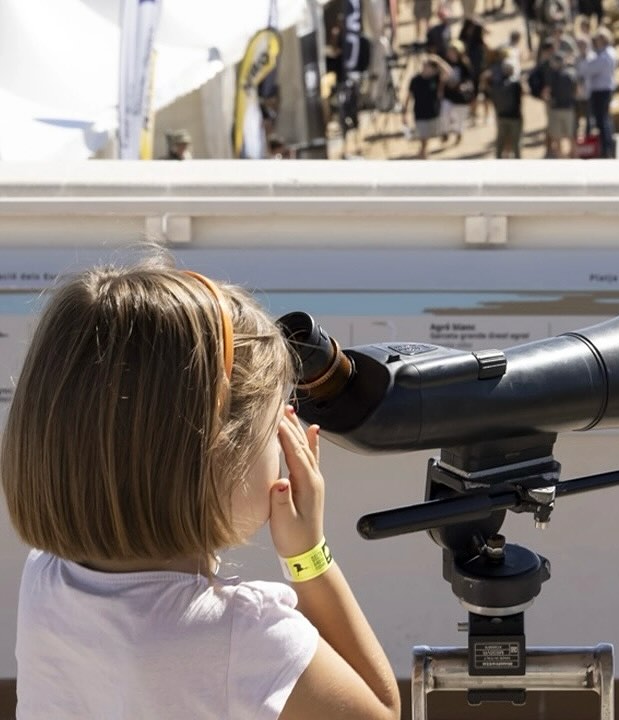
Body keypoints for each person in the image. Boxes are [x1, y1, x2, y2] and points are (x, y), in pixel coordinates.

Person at [1, 260, 402, 720]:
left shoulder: (45, 582)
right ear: (218, 445)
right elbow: (381, 711)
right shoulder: (247, 636)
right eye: (276, 424)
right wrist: (308, 556)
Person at [403, 55, 451, 158]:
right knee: (423, 136)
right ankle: (423, 150)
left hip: (434, 112)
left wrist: (438, 60)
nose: (424, 66)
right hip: (419, 112)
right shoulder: (415, 80)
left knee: (436, 132)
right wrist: (405, 111)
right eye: (424, 65)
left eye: (427, 65)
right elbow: (408, 96)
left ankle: (443, 135)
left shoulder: (436, 78)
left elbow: (449, 73)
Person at [586, 27, 617, 158]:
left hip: (601, 89)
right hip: (606, 88)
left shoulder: (604, 56)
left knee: (602, 119)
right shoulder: (610, 52)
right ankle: (608, 145)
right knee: (605, 118)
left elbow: (590, 69)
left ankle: (606, 147)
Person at [440, 39, 475, 144]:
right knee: (444, 113)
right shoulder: (445, 62)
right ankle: (445, 132)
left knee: (459, 118)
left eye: (454, 51)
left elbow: (469, 79)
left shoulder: (464, 64)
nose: (451, 53)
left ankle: (459, 133)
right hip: (448, 95)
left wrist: (459, 84)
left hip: (460, 97)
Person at [489, 59, 523, 158]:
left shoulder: (496, 83)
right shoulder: (516, 84)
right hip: (514, 118)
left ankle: (499, 159)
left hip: (501, 116)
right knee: (516, 142)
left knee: (500, 142)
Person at [545, 52, 577, 158]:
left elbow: (546, 92)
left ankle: (562, 158)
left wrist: (548, 102)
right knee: (570, 135)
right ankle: (573, 156)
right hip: (568, 108)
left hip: (556, 109)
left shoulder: (552, 75)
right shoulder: (571, 74)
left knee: (558, 138)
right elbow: (577, 91)